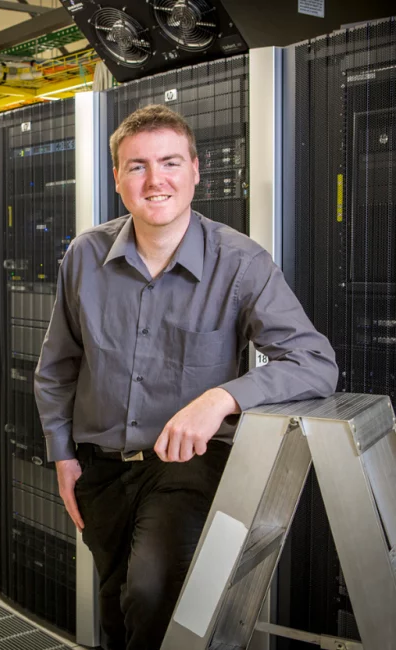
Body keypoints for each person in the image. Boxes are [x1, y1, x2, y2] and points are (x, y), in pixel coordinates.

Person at [34, 104, 338, 650]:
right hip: (100, 473)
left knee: (151, 596)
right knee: (118, 608)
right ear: (118, 180)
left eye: (170, 162)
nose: (155, 181)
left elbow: (314, 363)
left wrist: (222, 397)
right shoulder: (84, 255)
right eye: (137, 166)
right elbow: (57, 366)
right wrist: (62, 454)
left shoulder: (241, 263)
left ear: (196, 171)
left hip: (187, 472)